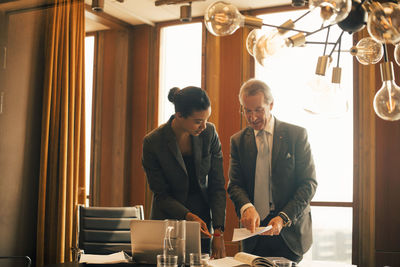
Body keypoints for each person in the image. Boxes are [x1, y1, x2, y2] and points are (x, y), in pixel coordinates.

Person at [227, 79, 317, 262]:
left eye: (258, 110)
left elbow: (309, 183)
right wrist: (247, 207)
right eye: (247, 111)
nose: (252, 117)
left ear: (271, 104)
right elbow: (235, 184)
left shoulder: (296, 135)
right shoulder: (238, 141)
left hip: (290, 233)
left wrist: (283, 218)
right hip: (253, 236)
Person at [142, 86, 226, 259]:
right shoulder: (153, 142)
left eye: (206, 119)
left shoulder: (209, 133)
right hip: (167, 222)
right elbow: (161, 194)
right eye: (197, 121)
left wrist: (218, 232)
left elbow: (217, 187)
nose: (204, 126)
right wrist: (187, 216)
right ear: (179, 115)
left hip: (202, 224)